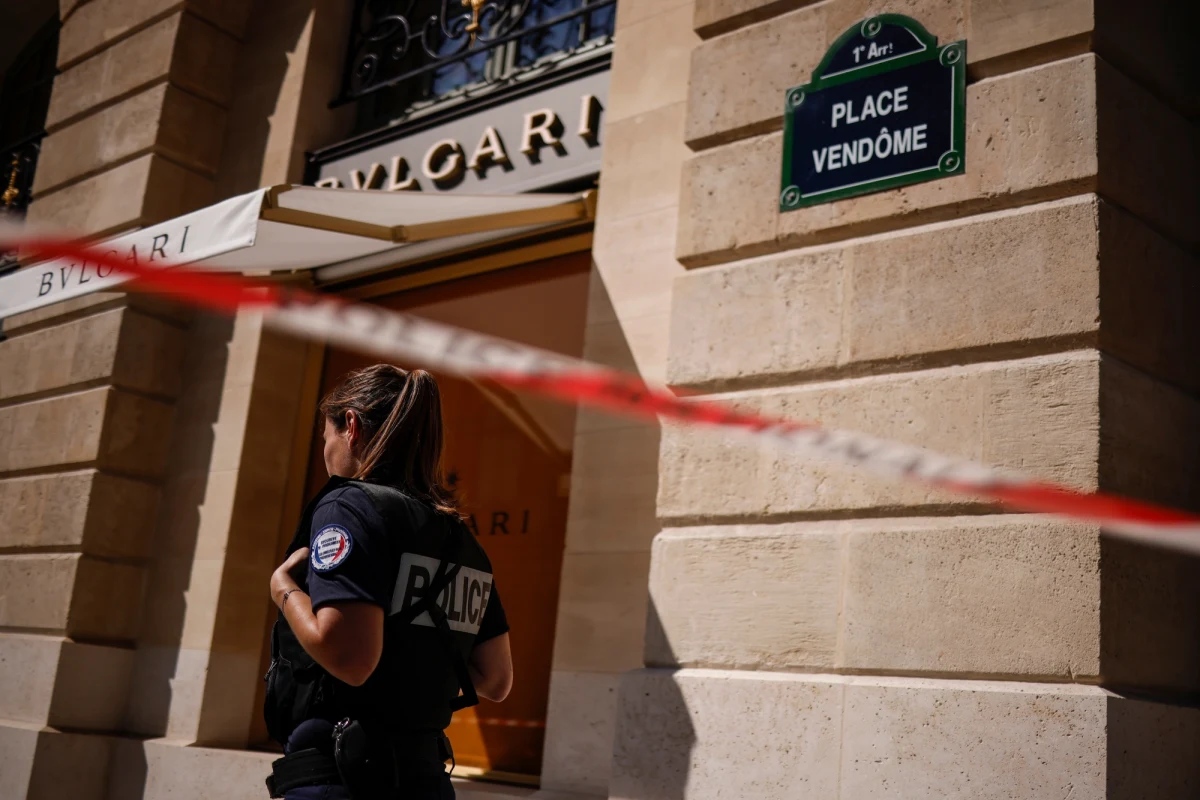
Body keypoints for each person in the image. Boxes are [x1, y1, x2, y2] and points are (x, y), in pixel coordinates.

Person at [263, 364, 513, 799]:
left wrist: (283, 588)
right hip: (426, 780)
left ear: (351, 426)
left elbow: (351, 658)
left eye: (326, 437)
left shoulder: (349, 506)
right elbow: (495, 679)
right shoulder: (460, 537)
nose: (325, 453)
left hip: (344, 778)